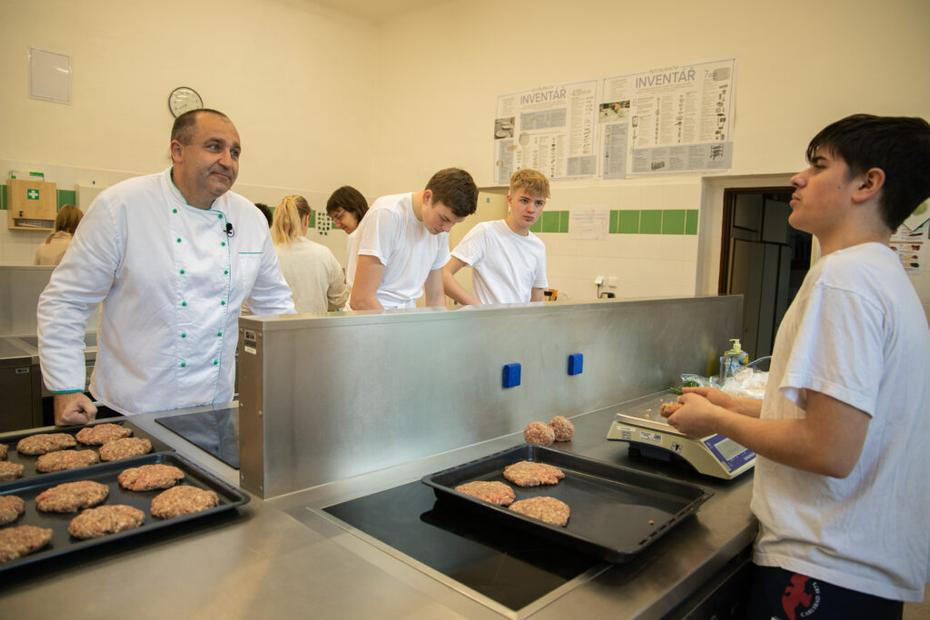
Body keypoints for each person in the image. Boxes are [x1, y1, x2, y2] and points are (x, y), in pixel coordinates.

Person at [662, 114, 930, 616]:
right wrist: (731, 403)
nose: (798, 178)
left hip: (820, 567)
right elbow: (840, 417)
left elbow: (829, 448)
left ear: (868, 184)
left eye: (819, 165)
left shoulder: (844, 279)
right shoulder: (882, 274)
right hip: (859, 569)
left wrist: (716, 420)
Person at [37, 108, 295, 425]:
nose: (228, 161)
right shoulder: (121, 206)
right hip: (129, 409)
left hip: (214, 409)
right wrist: (65, 388)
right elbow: (67, 301)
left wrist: (292, 379)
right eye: (214, 146)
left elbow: (275, 306)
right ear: (177, 151)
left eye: (235, 152)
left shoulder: (250, 219)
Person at [348, 168, 478, 310]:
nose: (447, 229)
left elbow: (436, 298)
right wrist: (397, 325)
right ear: (427, 197)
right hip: (370, 315)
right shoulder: (388, 214)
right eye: (444, 219)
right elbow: (361, 299)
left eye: (454, 223)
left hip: (406, 315)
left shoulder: (439, 230)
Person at [442, 169, 549, 306]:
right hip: (487, 319)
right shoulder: (486, 232)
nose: (531, 209)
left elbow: (537, 294)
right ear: (509, 200)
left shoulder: (538, 246)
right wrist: (477, 307)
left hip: (519, 320)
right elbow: (443, 274)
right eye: (524, 200)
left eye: (538, 203)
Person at [271, 194, 348, 313]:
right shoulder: (323, 254)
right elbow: (339, 299)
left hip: (275, 324)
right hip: (315, 324)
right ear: (307, 219)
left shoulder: (269, 255)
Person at [325, 185, 368, 287]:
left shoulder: (355, 237)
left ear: (355, 209)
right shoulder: (372, 230)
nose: (338, 225)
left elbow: (352, 284)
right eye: (334, 220)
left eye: (339, 217)